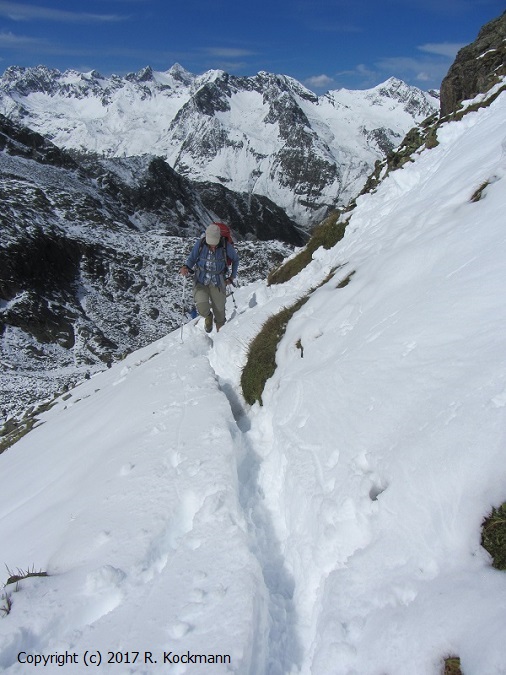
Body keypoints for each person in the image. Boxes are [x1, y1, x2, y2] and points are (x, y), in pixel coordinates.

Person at [179, 223, 239, 333]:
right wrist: (186, 267)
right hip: (201, 280)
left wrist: (232, 276)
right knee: (202, 307)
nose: (213, 246)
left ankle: (221, 334)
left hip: (218, 281)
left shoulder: (225, 245)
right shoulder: (200, 243)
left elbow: (235, 259)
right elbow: (192, 258)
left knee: (220, 311)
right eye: (210, 243)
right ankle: (208, 316)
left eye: (215, 243)